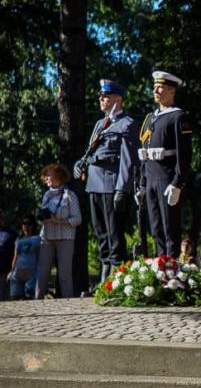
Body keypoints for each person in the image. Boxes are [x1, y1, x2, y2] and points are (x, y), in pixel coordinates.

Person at [73, 79, 140, 282]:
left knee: (114, 235)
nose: (101, 99)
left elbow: (128, 161)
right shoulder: (100, 124)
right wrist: (80, 163)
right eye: (101, 96)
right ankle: (103, 281)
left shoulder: (127, 124)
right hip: (94, 184)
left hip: (112, 185)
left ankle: (115, 281)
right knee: (100, 233)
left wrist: (122, 189)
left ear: (117, 99)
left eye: (105, 96)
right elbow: (90, 152)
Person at [136, 71, 192, 257]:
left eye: (160, 87)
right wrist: (142, 184)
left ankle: (171, 270)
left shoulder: (178, 117)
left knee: (170, 230)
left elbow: (184, 155)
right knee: (156, 229)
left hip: (166, 179)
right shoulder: (151, 118)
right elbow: (145, 155)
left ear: (171, 90)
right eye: (154, 87)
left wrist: (177, 183)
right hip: (151, 178)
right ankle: (161, 267)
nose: (155, 91)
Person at [35, 164, 82, 299]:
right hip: (47, 237)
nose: (46, 178)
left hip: (65, 238)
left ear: (58, 177)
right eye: (46, 175)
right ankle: (35, 303)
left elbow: (78, 219)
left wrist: (59, 222)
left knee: (64, 276)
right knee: (42, 273)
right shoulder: (46, 195)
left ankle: (68, 304)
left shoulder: (70, 195)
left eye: (49, 174)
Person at [8, 215, 40, 300]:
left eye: (28, 223)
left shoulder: (37, 239)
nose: (26, 226)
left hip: (31, 276)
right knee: (14, 299)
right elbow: (15, 256)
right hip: (17, 275)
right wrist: (11, 271)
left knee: (29, 299)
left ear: (33, 225)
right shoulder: (18, 239)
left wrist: (38, 273)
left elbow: (39, 257)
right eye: (24, 223)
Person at [0, 210, 17, 300]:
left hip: (4, 274)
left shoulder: (11, 233)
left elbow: (16, 253)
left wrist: (12, 270)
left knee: (4, 302)